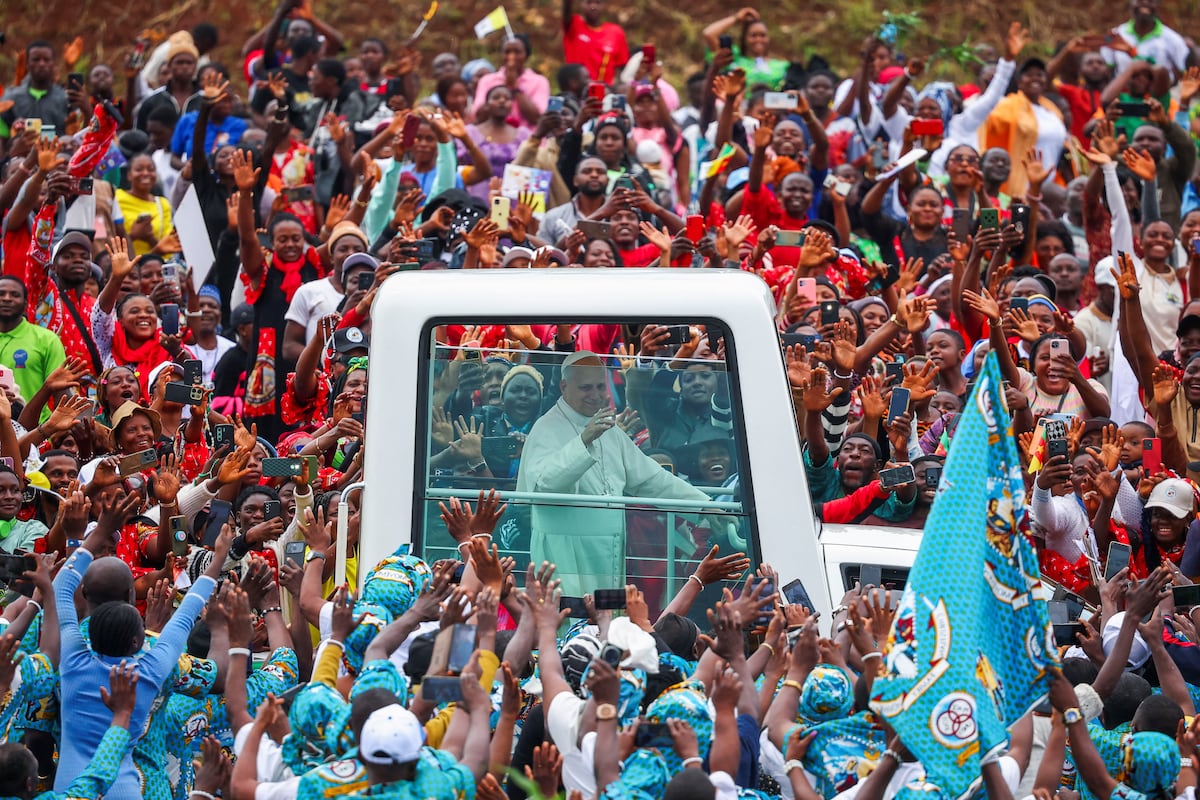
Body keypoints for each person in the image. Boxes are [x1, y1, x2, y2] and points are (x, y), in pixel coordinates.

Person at [516, 351, 724, 593]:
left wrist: (703, 505)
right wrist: (584, 440)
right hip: (566, 554)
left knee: (607, 614)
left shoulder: (609, 429)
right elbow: (544, 485)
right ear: (564, 387)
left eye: (599, 386)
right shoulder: (546, 427)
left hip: (609, 553)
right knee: (571, 614)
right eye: (585, 388)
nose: (595, 395)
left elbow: (651, 478)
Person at [561, 0, 629, 85]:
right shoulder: (574, 24)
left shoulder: (616, 32)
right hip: (577, 88)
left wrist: (614, 86)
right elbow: (566, 13)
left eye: (598, 2)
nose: (593, 7)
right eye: (589, 2)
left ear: (604, 5)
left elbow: (621, 66)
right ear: (581, 4)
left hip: (604, 89)